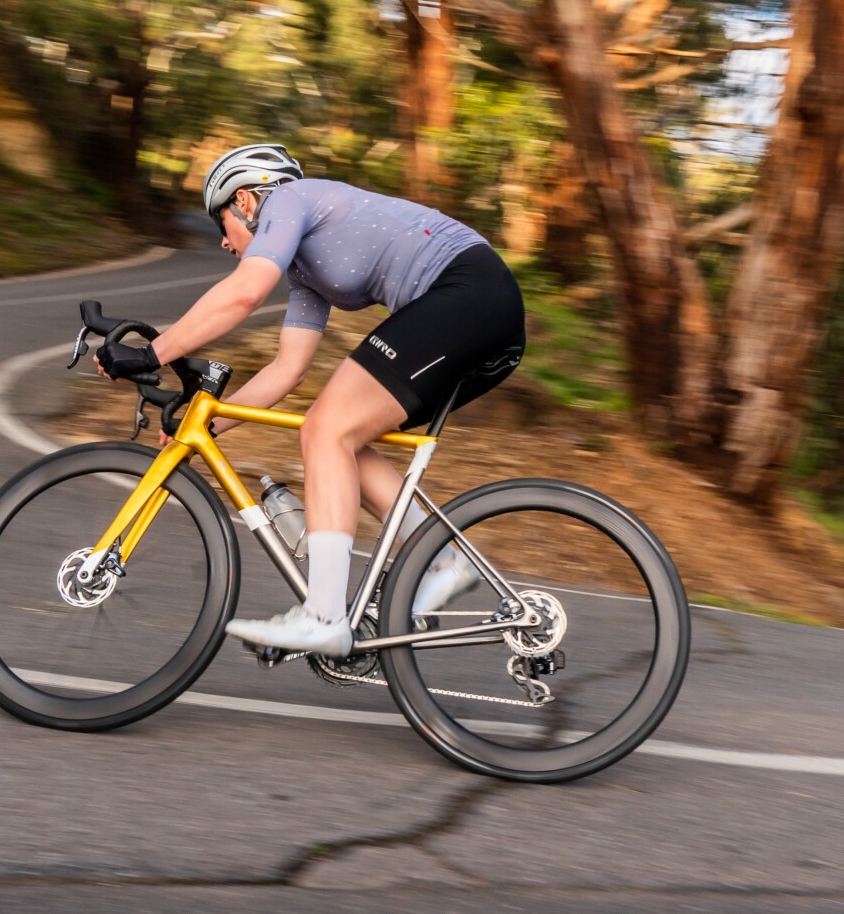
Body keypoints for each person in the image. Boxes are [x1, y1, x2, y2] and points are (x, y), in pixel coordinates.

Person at [96, 143, 526, 656]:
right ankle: (443, 557)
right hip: (476, 309)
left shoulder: (291, 201)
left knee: (325, 430)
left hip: (467, 293)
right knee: (337, 437)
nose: (224, 244)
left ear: (246, 201)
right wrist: (203, 426)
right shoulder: (308, 270)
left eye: (221, 226)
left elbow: (244, 293)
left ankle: (323, 616)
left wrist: (152, 355)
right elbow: (288, 369)